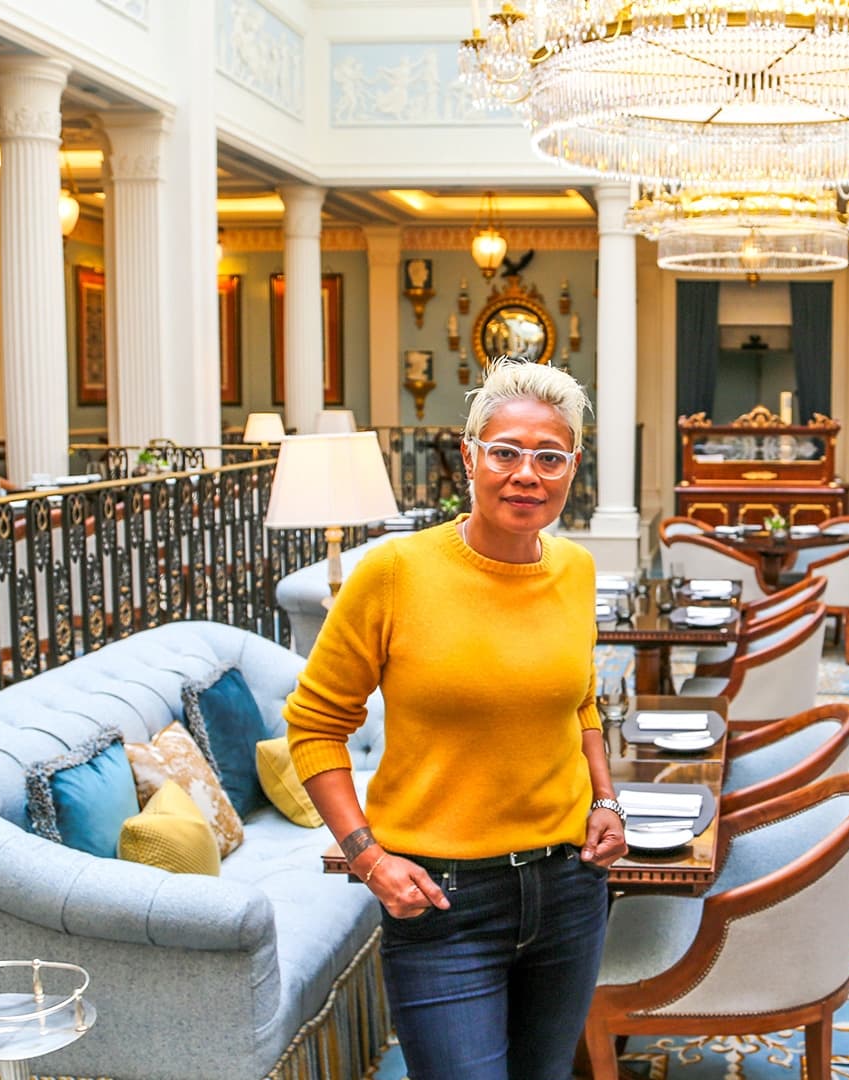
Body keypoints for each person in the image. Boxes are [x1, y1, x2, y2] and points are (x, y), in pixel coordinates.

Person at [285, 360, 626, 1080]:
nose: (526, 474)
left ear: (573, 468)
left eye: (549, 457)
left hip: (568, 889)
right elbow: (314, 726)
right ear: (469, 457)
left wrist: (605, 800)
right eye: (505, 452)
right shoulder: (394, 573)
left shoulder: (575, 570)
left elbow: (582, 700)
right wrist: (368, 858)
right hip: (441, 901)